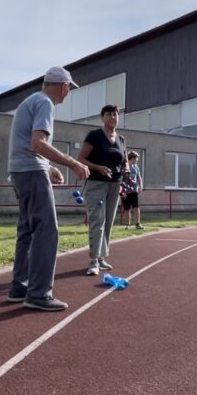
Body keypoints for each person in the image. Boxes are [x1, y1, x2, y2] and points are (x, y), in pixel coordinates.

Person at [7, 66, 90, 311]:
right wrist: (73, 163)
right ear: (62, 85)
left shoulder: (31, 101)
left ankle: (19, 287)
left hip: (20, 171)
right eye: (68, 88)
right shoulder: (45, 103)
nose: (68, 93)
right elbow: (37, 143)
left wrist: (49, 166)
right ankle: (39, 293)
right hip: (31, 171)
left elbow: (31, 145)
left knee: (27, 230)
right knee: (47, 230)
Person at [78, 105, 127, 276]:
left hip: (115, 184)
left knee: (108, 220)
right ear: (102, 117)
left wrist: (126, 168)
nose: (113, 117)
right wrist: (98, 167)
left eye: (115, 114)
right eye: (109, 114)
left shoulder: (121, 139)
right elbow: (81, 158)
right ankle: (93, 260)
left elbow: (124, 160)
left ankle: (101, 258)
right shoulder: (94, 136)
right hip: (96, 183)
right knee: (97, 220)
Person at [121, 151, 144, 229]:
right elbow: (120, 179)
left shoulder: (136, 166)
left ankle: (138, 223)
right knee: (127, 208)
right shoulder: (124, 166)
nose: (137, 160)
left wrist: (141, 185)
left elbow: (139, 176)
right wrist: (121, 191)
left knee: (136, 206)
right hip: (125, 190)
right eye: (136, 158)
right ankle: (128, 224)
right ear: (132, 158)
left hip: (134, 190)